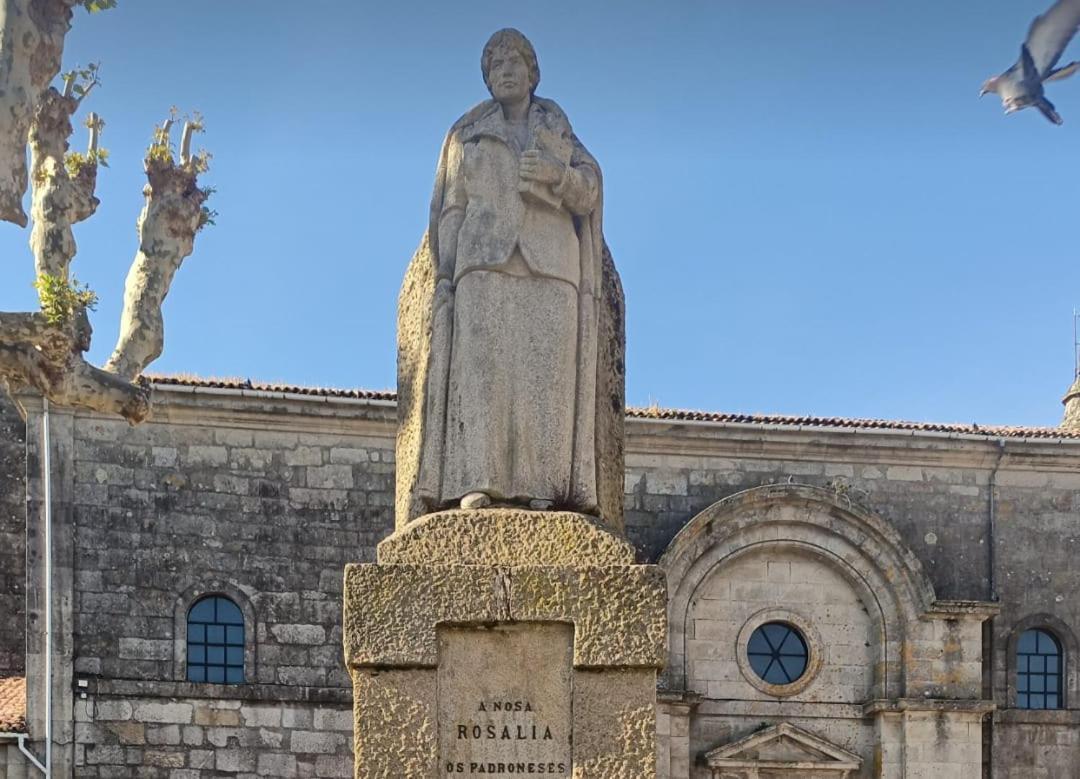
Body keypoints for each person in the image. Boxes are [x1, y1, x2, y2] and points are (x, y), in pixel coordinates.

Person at [410, 28, 608, 514]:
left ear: (532, 73)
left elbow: (590, 190)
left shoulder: (556, 126)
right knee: (482, 375)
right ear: (486, 79)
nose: (505, 73)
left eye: (514, 64)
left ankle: (545, 484)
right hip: (483, 261)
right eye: (495, 67)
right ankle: (478, 479)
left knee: (546, 377)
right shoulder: (466, 132)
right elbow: (451, 207)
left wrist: (557, 178)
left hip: (551, 261)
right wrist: (445, 274)